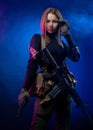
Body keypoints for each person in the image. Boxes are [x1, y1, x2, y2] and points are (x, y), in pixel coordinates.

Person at [18, 7, 80, 130]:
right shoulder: (37, 39)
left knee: (64, 126)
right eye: (48, 21)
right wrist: (24, 89)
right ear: (43, 22)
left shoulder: (61, 43)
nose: (51, 25)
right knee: (38, 125)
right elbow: (32, 66)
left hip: (64, 90)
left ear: (60, 23)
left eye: (55, 21)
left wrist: (67, 35)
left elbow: (76, 57)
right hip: (46, 91)